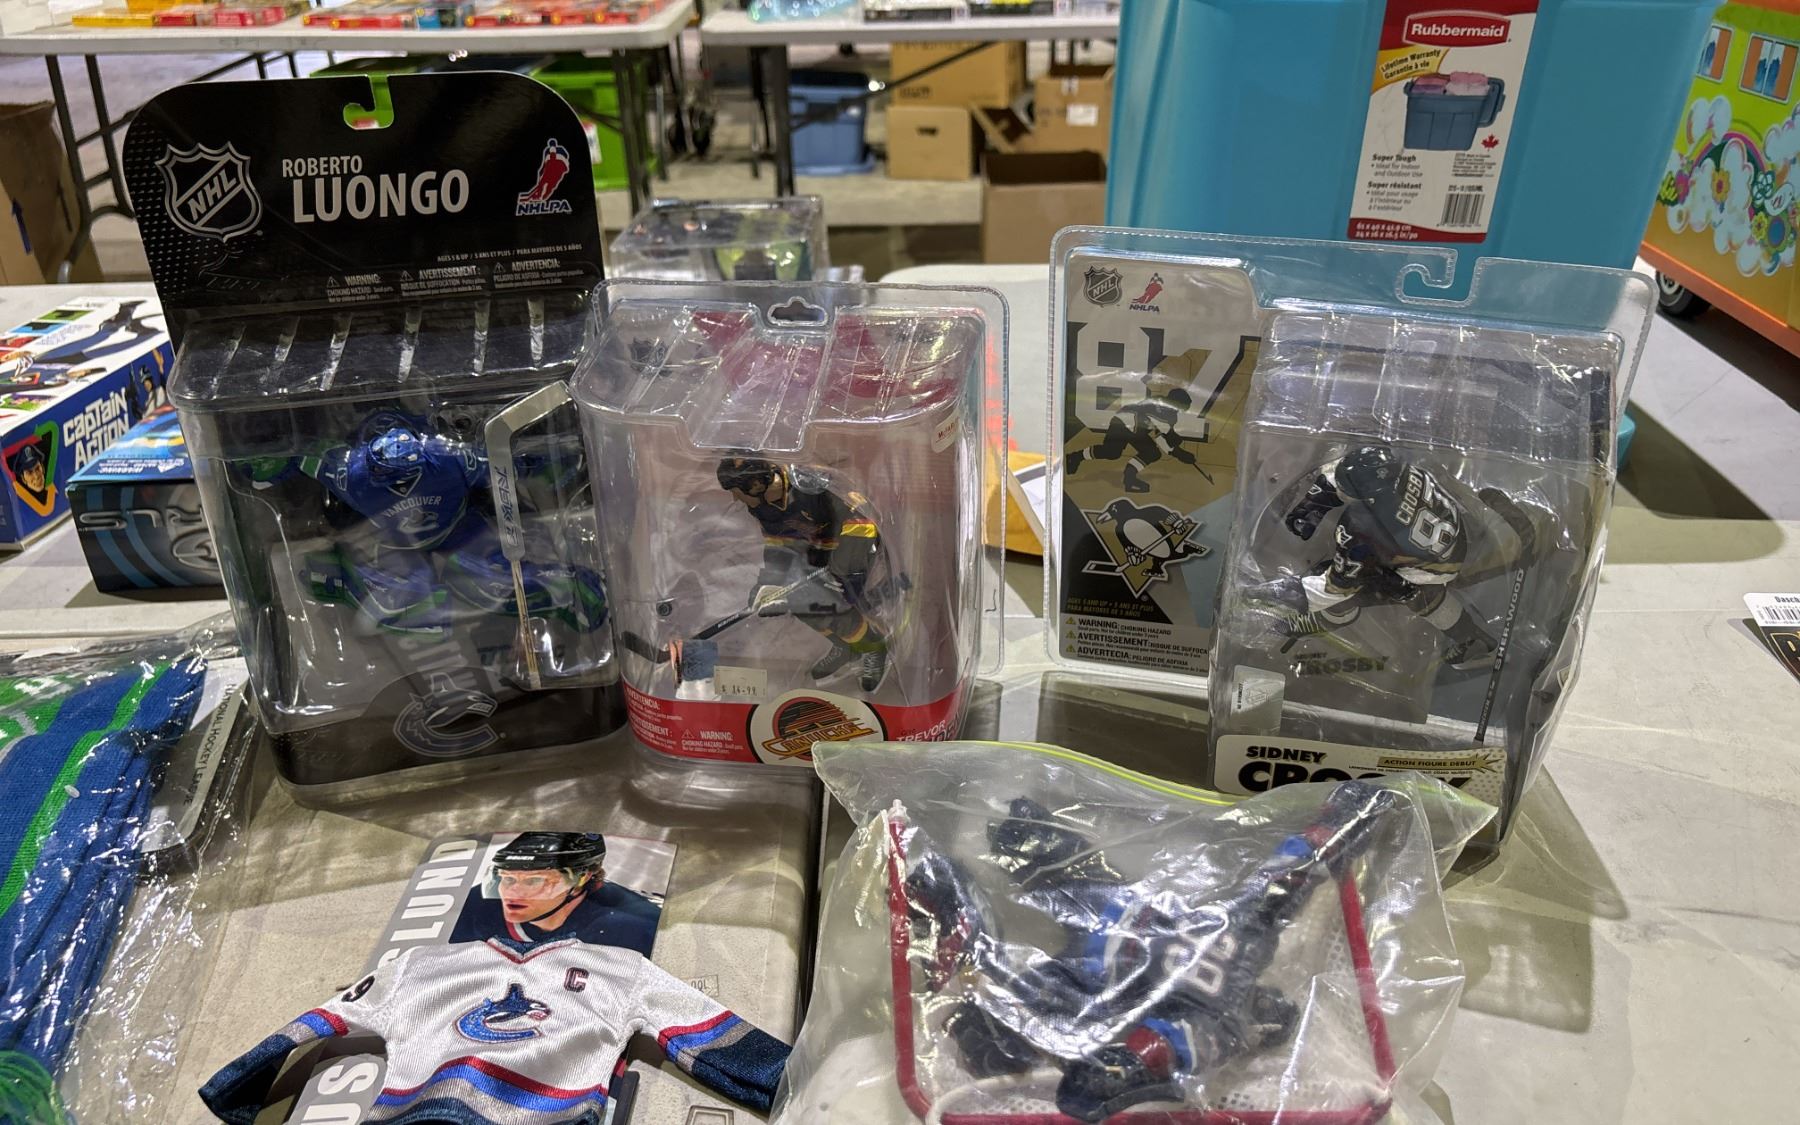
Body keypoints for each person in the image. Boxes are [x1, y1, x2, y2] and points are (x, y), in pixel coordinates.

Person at [1256, 444, 1497, 666]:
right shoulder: (1404, 471)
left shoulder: (1362, 528)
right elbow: (1358, 476)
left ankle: (1330, 619)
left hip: (1427, 566)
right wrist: (1313, 505)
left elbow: (1337, 586)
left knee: (1352, 583)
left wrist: (1288, 593)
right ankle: (1472, 637)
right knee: (1423, 591)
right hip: (1453, 537)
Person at [716, 457, 891, 691]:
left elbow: (862, 524)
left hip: (855, 548)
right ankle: (847, 646)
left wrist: (836, 571)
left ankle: (873, 647)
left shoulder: (810, 486)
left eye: (736, 492)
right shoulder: (761, 506)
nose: (734, 499)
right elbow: (779, 543)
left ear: (756, 485)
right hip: (818, 552)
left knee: (828, 603)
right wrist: (769, 584)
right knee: (796, 601)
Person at [451, 832, 660, 955]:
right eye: (508, 878)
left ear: (582, 878)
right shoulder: (474, 908)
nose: (513, 891)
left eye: (534, 880)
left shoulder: (634, 926)